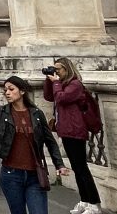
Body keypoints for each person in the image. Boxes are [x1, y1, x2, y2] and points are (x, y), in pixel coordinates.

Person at [0, 76, 70, 214]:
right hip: (11, 175)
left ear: (22, 91)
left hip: (35, 175)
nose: (7, 93)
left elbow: (50, 141)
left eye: (11, 89)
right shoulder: (0, 113)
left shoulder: (36, 114)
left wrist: (59, 164)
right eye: (5, 90)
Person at [43, 58, 101, 213]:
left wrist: (56, 83)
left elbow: (61, 98)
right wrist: (49, 80)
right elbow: (49, 96)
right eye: (54, 69)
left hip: (75, 130)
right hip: (66, 130)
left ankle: (94, 203)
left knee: (82, 168)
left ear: (67, 69)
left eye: (58, 69)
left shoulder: (75, 85)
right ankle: (84, 200)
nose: (56, 72)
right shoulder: (61, 84)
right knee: (76, 168)